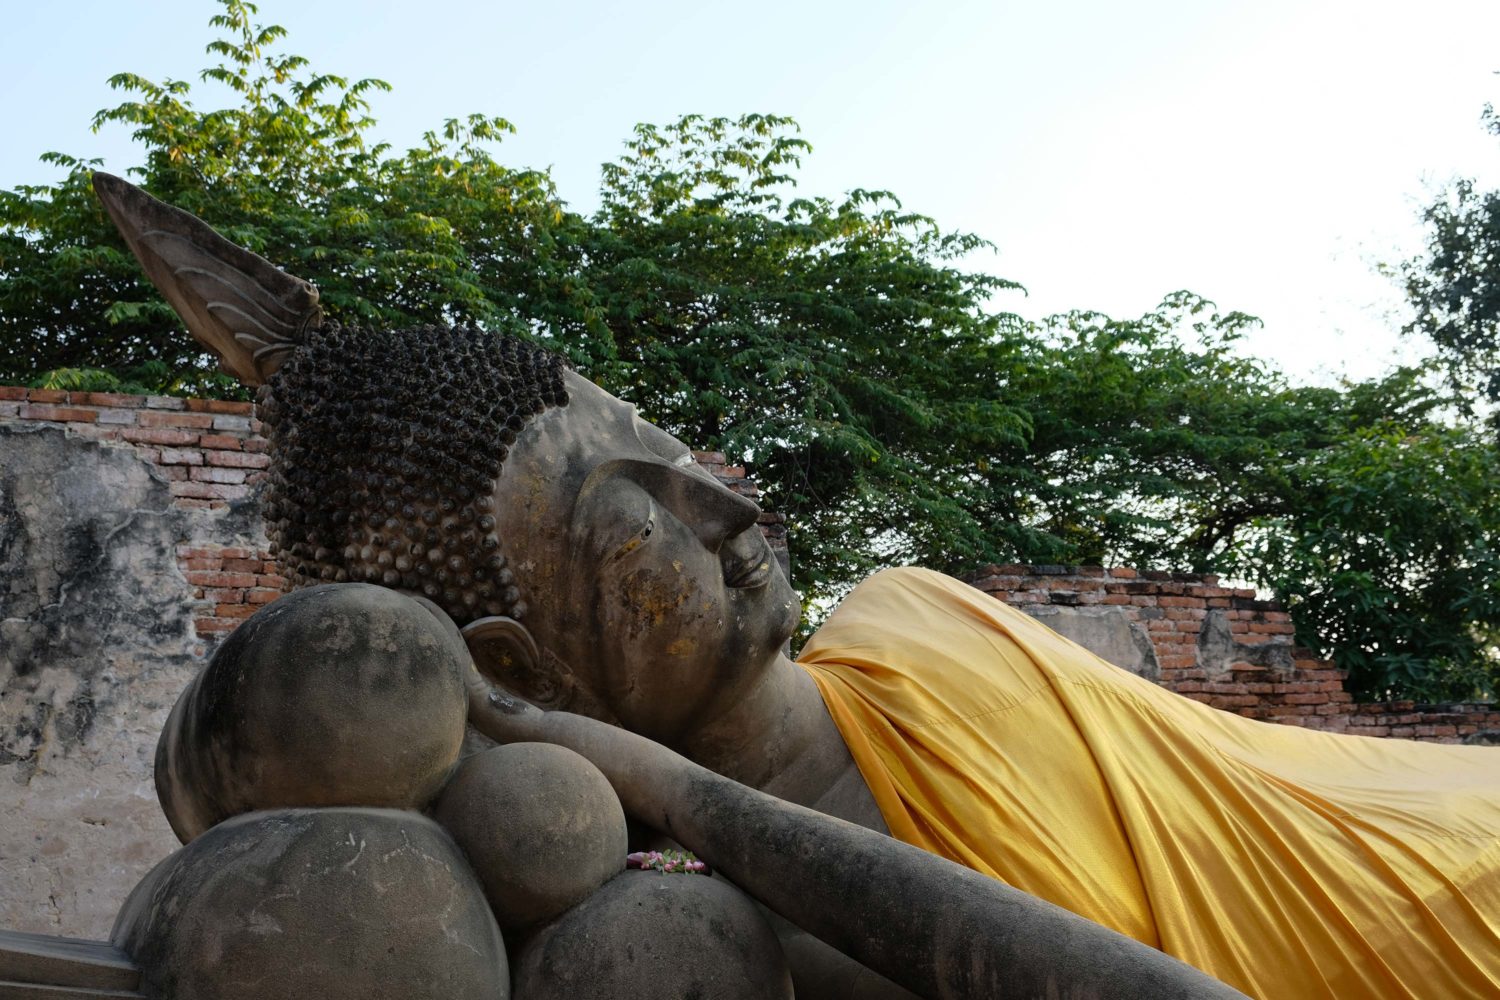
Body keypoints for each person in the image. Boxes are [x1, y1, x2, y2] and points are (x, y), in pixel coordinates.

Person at [95, 173, 1499, 1000]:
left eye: (675, 454)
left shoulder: (908, 611)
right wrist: (659, 786)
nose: (729, 507)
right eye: (636, 523)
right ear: (520, 666)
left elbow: (1258, 786)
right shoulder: (775, 933)